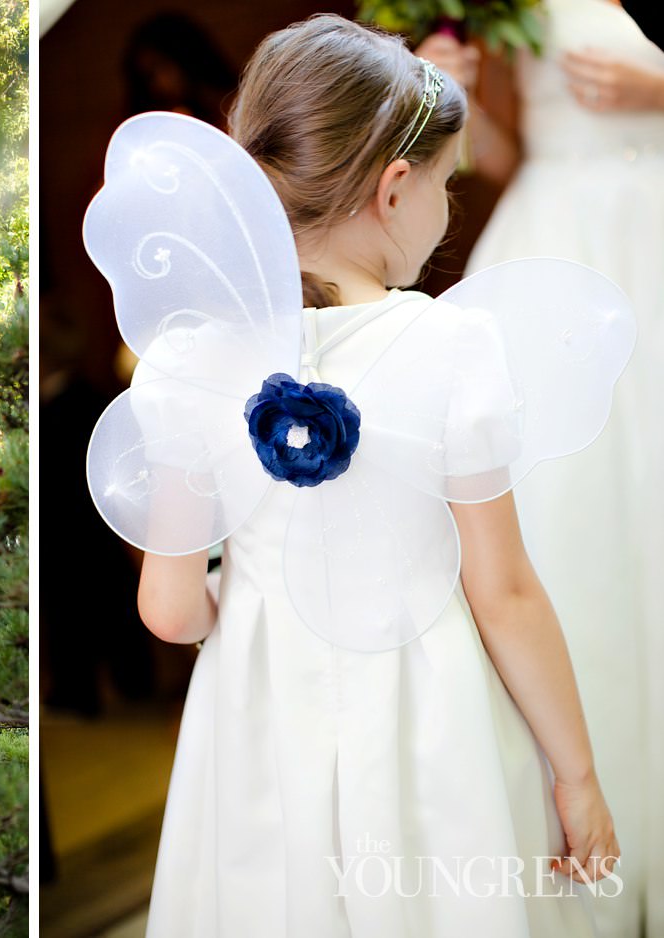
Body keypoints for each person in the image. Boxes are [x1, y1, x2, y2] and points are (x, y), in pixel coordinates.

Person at [98, 16, 621, 935]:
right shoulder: (454, 346)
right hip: (428, 726)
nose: (447, 210)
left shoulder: (188, 362)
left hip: (259, 727)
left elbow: (169, 610)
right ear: (393, 188)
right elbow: (503, 593)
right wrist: (577, 775)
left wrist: (245, 599)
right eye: (446, 185)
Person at [419, 7, 664, 934]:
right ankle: (583, 814)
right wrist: (466, 91)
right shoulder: (517, 5)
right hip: (562, 234)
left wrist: (657, 96)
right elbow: (508, 153)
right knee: (572, 518)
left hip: (657, 225)